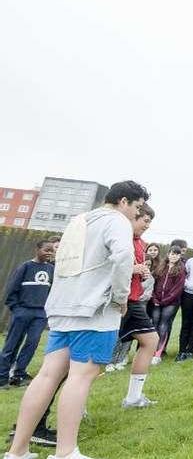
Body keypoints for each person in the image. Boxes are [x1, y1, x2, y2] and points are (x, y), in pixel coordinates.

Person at [5, 180, 147, 459]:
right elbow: (122, 257)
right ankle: (66, 452)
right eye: (137, 207)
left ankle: (17, 451)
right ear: (124, 202)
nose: (135, 214)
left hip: (63, 307)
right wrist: (120, 298)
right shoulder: (117, 220)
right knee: (81, 377)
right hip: (93, 311)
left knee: (47, 375)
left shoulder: (78, 220)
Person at [111, 203, 160, 409]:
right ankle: (77, 402)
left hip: (133, 300)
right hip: (115, 301)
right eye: (145, 221)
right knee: (95, 356)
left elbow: (134, 270)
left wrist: (141, 272)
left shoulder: (140, 243)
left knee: (150, 340)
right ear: (132, 217)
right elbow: (109, 266)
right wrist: (133, 269)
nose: (147, 225)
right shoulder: (119, 239)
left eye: (150, 222)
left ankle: (133, 397)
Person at [1, 241, 55, 388]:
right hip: (22, 311)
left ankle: (18, 375)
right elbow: (11, 290)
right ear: (37, 249)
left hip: (40, 314)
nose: (49, 253)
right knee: (11, 345)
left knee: (32, 343)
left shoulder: (51, 269)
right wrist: (16, 309)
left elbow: (51, 292)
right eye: (46, 250)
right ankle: (2, 377)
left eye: (52, 251)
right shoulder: (25, 267)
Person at [149, 246, 185, 363]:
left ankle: (158, 353)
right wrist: (154, 298)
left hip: (170, 303)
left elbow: (177, 289)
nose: (174, 256)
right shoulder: (161, 267)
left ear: (180, 256)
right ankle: (150, 351)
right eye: (172, 253)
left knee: (163, 325)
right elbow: (152, 283)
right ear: (168, 254)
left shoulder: (181, 270)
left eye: (177, 254)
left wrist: (165, 301)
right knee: (154, 324)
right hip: (156, 301)